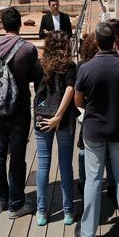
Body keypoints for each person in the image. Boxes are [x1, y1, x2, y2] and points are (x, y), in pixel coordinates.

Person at [74, 22, 119, 237]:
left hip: (94, 131)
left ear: (96, 41)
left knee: (92, 181)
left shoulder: (86, 69)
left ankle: (89, 236)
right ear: (114, 41)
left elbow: (79, 101)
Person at [0, 7, 39, 218]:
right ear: (19, 24)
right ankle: (16, 203)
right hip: (19, 109)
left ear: (2, 24)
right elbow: (34, 76)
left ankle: (0, 198)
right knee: (17, 156)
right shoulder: (28, 49)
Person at [34, 31, 78, 227]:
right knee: (65, 165)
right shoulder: (70, 65)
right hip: (64, 118)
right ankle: (68, 211)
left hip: (42, 116)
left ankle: (42, 211)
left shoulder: (39, 64)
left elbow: (38, 90)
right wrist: (58, 116)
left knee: (43, 164)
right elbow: (70, 88)